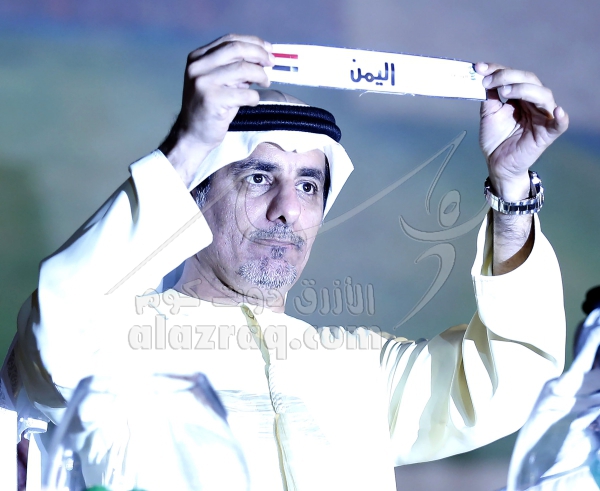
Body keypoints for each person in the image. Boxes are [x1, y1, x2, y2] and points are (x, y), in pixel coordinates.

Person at [11, 34, 568, 490]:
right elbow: (58, 332)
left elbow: (514, 376)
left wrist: (511, 187)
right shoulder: (114, 348)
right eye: (259, 177)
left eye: (308, 185)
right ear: (193, 197)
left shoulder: (357, 372)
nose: (288, 210)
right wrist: (186, 146)